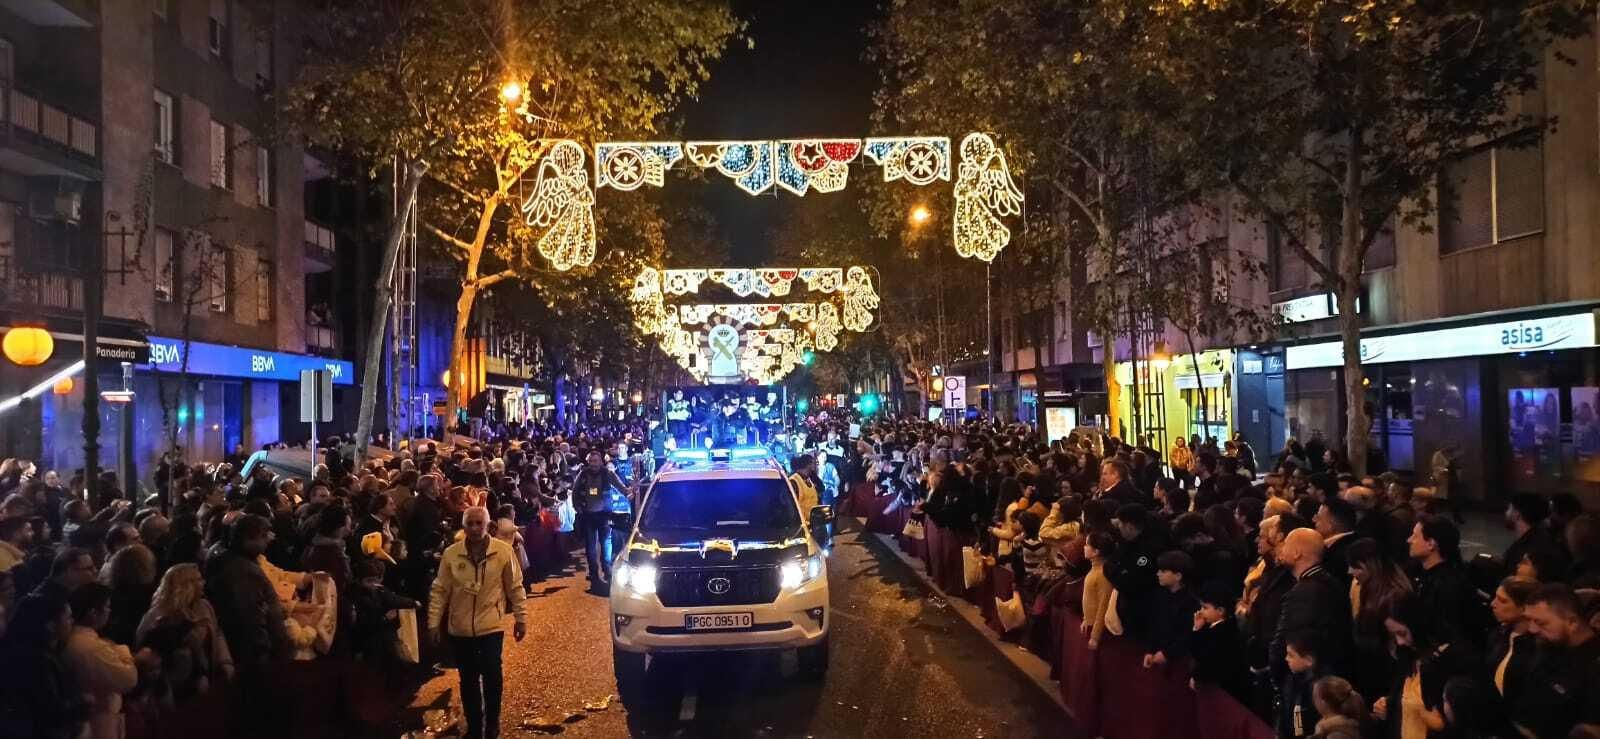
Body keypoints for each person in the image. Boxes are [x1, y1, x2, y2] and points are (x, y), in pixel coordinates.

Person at [428, 507, 527, 739]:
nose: (474, 528)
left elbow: (515, 586)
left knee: (492, 675)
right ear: (464, 526)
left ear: (488, 526)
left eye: (478, 524)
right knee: (469, 679)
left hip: (490, 626)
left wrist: (521, 618)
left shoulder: (502, 552)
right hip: (460, 629)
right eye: (469, 524)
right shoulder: (452, 554)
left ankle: (492, 723)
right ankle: (474, 725)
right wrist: (433, 623)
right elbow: (440, 590)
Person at [136, 563, 233, 699]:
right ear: (186, 586)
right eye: (199, 580)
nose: (204, 582)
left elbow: (217, 632)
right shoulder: (157, 615)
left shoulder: (204, 606)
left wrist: (225, 662)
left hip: (207, 680)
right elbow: (145, 653)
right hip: (175, 690)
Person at [1514, 583, 1600, 737]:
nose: (1532, 629)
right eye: (1530, 620)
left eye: (1541, 623)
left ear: (1572, 622)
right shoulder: (1545, 646)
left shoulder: (1594, 668)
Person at [1272, 528, 1353, 682]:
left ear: (1297, 553)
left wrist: (1276, 671)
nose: (1281, 549)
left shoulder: (1305, 592)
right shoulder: (1330, 583)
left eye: (1286, 544)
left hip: (1309, 679)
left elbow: (1289, 638)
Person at [63, 583, 140, 739]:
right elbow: (129, 679)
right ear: (93, 613)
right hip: (100, 721)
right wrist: (123, 651)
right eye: (106, 607)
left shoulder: (77, 639)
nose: (109, 612)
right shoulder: (91, 647)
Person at [0, 591, 80, 739]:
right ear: (50, 625)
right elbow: (49, 712)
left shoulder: (17, 650)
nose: (72, 621)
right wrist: (82, 707)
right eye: (68, 617)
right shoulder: (39, 662)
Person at [570, 451, 628, 589]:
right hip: (588, 516)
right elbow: (575, 492)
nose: (593, 464)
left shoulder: (608, 474)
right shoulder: (583, 474)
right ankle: (594, 574)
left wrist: (630, 492)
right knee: (590, 547)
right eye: (591, 461)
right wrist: (577, 508)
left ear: (601, 461)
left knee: (606, 544)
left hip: (604, 515)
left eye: (595, 461)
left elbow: (621, 488)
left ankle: (607, 571)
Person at [1190, 579, 1248, 703]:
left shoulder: (1226, 633)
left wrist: (1197, 676)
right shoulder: (1210, 627)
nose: (1200, 611)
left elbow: (1208, 660)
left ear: (1220, 611)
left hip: (1223, 693)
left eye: (1205, 607)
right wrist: (1197, 629)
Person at [1144, 550, 1199, 670]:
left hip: (1179, 663)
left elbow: (1187, 634)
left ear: (1178, 576)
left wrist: (1168, 653)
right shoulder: (1160, 594)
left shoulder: (1191, 602)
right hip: (1158, 657)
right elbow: (1154, 624)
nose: (1158, 574)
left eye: (1163, 571)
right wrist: (1150, 650)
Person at [1279, 631, 1328, 738]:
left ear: (1309, 661)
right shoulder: (1292, 678)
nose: (1286, 659)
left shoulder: (1320, 690)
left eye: (1291, 655)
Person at [1079, 531, 1114, 650]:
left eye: (1087, 545)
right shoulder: (1095, 569)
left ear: (1096, 552)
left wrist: (1095, 636)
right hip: (1090, 623)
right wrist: (1085, 619)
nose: (1084, 547)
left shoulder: (1103, 574)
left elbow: (1103, 606)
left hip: (1098, 629)